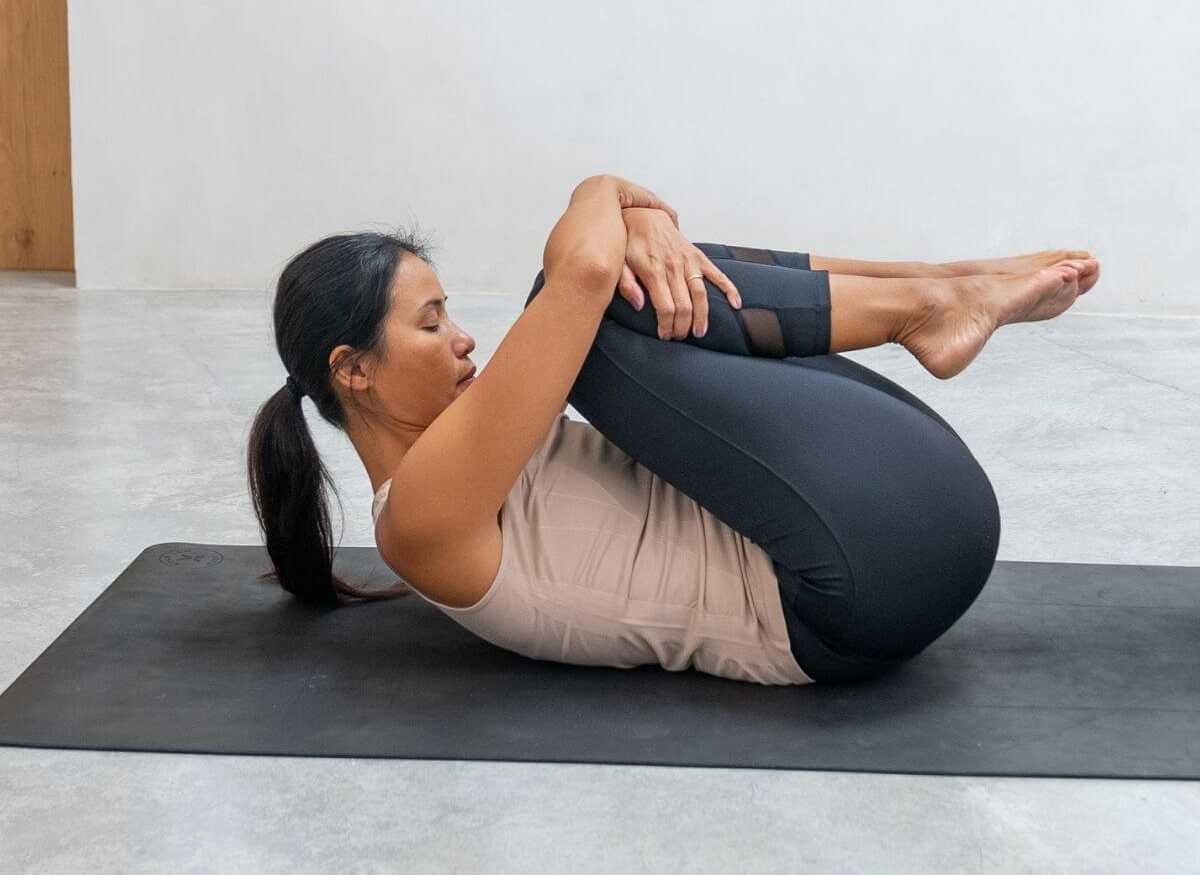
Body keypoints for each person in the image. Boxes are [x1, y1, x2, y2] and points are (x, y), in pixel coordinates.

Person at [247, 174, 1100, 685]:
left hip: (885, 528)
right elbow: (580, 270)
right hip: (858, 588)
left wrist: (645, 229)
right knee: (594, 303)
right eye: (431, 325)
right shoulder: (420, 518)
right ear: (351, 368)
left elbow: (603, 270)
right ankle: (932, 301)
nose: (463, 338)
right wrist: (608, 190)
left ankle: (942, 285)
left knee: (637, 285)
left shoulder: (463, 446)